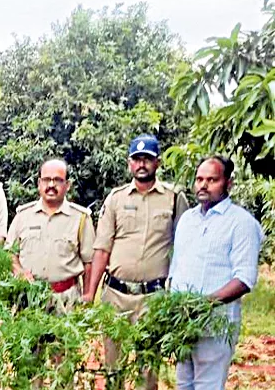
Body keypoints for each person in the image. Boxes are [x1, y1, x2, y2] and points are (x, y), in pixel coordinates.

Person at [86, 134, 189, 390]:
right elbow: (102, 249)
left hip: (153, 298)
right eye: (136, 159)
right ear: (129, 163)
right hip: (116, 295)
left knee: (148, 369)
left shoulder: (175, 198)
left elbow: (185, 248)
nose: (141, 164)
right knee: (113, 367)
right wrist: (90, 293)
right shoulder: (116, 198)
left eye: (147, 159)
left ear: (158, 163)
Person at [170, 156, 263, 390]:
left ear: (228, 183)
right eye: (199, 179)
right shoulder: (187, 220)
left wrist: (203, 305)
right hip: (183, 324)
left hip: (215, 325)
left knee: (207, 386)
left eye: (212, 180)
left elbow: (244, 279)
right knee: (183, 385)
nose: (203, 185)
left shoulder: (241, 223)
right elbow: (177, 267)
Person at [5, 159, 95, 313]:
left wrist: (87, 297)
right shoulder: (23, 216)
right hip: (29, 298)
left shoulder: (80, 218)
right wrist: (19, 271)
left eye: (58, 180)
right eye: (46, 180)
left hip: (67, 299)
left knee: (65, 338)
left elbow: (89, 262)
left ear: (67, 185)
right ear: (39, 183)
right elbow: (9, 253)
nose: (51, 185)